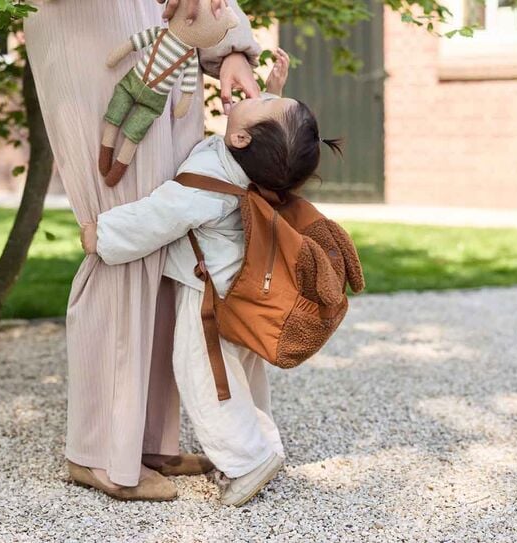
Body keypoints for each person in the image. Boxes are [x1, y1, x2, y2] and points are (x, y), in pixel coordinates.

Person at [80, 49, 343, 506]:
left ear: (241, 138)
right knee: (241, 377)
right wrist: (274, 99)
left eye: (264, 101)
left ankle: (245, 461)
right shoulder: (254, 167)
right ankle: (264, 447)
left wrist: (101, 235)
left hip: (212, 303)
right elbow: (267, 144)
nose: (257, 91)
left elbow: (157, 216)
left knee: (207, 381)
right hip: (245, 296)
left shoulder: (209, 181)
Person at [23, 0, 261, 501]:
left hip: (166, 34)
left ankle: (147, 438)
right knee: (122, 229)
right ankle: (101, 450)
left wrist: (229, 49)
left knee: (167, 227)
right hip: (92, 24)